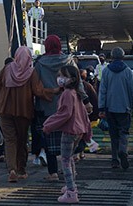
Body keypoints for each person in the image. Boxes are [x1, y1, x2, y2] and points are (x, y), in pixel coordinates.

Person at [0, 46, 56, 182]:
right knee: (21, 140)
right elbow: (38, 91)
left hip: (5, 109)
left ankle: (11, 169)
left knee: (9, 140)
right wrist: (54, 91)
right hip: (23, 112)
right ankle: (21, 169)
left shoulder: (7, 69)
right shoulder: (31, 72)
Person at [33, 35, 90, 181]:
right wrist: (85, 100)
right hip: (69, 107)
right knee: (68, 143)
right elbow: (79, 83)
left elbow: (35, 87)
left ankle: (53, 173)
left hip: (46, 107)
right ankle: (70, 171)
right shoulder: (68, 60)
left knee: (49, 142)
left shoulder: (39, 64)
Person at [42, 65, 90, 204]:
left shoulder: (67, 94)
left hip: (70, 130)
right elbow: (82, 114)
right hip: (78, 130)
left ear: (72, 79)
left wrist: (48, 124)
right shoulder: (76, 93)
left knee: (65, 160)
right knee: (69, 159)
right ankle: (71, 186)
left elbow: (64, 113)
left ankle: (71, 192)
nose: (60, 79)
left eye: (63, 76)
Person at [98, 47, 133, 170]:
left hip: (110, 108)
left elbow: (102, 90)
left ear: (111, 57)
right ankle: (123, 151)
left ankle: (114, 160)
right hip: (124, 107)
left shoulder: (106, 71)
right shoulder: (128, 71)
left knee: (113, 135)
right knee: (124, 132)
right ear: (123, 57)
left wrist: (101, 107)